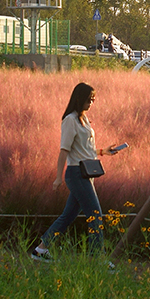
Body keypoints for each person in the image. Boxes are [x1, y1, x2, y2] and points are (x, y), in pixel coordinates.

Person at [30, 82, 122, 262]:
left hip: (86, 174)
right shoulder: (70, 120)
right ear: (79, 99)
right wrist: (58, 178)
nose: (91, 103)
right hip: (76, 174)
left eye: (93, 100)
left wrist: (104, 151)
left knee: (68, 216)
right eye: (89, 100)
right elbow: (64, 150)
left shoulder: (84, 120)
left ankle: (40, 250)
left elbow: (84, 149)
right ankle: (98, 259)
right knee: (95, 215)